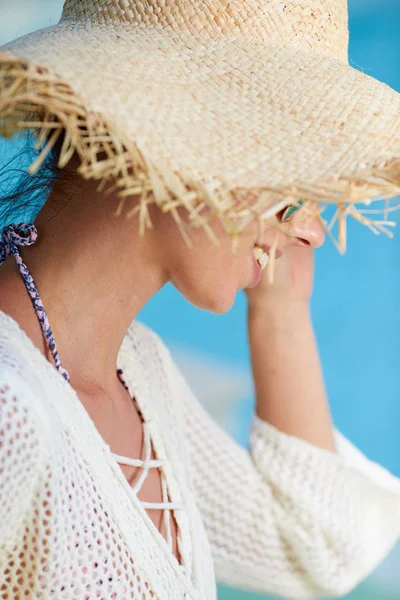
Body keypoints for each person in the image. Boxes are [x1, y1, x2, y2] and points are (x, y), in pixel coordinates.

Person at [0, 1, 400, 599]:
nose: (314, 229)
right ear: (186, 147)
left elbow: (315, 546)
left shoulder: (140, 376)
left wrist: (281, 309)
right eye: (293, 175)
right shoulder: (13, 410)